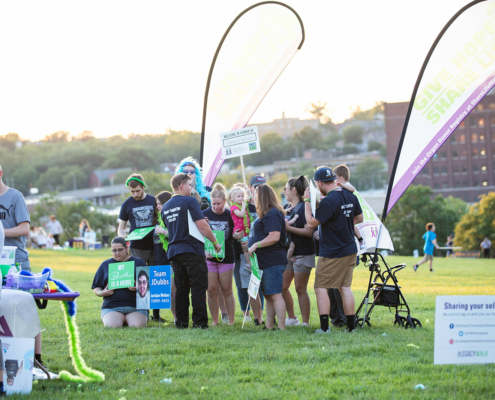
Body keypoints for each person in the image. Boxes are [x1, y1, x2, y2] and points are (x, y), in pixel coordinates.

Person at [304, 166, 363, 334]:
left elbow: (310, 223)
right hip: (351, 248)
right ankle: (351, 328)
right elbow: (359, 218)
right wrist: (342, 221)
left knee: (321, 287)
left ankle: (324, 328)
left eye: (316, 184)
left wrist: (307, 201)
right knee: (345, 287)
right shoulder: (349, 195)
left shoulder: (329, 201)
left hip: (332, 252)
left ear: (320, 183)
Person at [162, 173, 221, 329]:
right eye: (189, 185)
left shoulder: (166, 206)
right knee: (198, 287)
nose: (191, 187)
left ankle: (181, 323)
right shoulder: (190, 201)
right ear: (182, 185)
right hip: (192, 250)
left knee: (181, 289)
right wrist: (215, 243)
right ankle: (200, 323)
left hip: (174, 252)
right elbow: (202, 226)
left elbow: (177, 227)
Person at [248, 184, 288, 331]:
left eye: (256, 194)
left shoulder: (273, 213)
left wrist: (255, 245)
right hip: (264, 262)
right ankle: (269, 325)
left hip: (273, 261)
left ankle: (282, 327)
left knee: (276, 294)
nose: (253, 197)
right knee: (269, 295)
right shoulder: (267, 214)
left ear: (262, 196)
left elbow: (274, 236)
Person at [91, 237, 148, 328]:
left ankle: (129, 319)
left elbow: (149, 286)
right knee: (112, 326)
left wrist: (140, 287)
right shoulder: (105, 265)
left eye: (120, 250)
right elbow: (96, 287)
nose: (117, 253)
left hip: (136, 306)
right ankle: (118, 319)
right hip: (112, 306)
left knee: (138, 326)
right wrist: (102, 293)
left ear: (127, 249)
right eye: (114, 251)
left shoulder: (138, 262)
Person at [282, 176, 315, 327]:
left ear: (293, 190)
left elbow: (308, 232)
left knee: (300, 288)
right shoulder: (289, 208)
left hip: (304, 251)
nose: (284, 192)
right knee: (282, 287)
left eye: (286, 189)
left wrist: (288, 228)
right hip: (289, 253)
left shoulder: (303, 207)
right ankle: (292, 318)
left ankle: (305, 322)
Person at [118, 174, 156, 302]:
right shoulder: (126, 204)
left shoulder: (153, 201)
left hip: (155, 246)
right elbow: (121, 227)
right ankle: (142, 311)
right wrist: (122, 235)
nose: (135, 194)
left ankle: (156, 315)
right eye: (132, 191)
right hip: (137, 247)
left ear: (143, 187)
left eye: (137, 191)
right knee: (140, 279)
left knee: (155, 279)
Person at [203, 183, 236, 325]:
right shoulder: (204, 215)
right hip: (209, 257)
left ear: (224, 202)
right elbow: (198, 235)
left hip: (226, 257)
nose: (216, 207)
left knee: (227, 289)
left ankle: (231, 321)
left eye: (219, 204)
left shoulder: (230, 215)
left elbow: (235, 233)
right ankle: (215, 321)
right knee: (211, 290)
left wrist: (238, 235)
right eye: (214, 204)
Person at [0, 165, 31, 271]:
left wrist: (0, 232)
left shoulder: (16, 197)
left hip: (16, 263)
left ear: (0, 174)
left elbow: (24, 229)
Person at [154, 191, 176, 323]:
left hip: (173, 258)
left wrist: (163, 231)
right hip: (159, 258)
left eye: (160, 203)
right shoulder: (156, 218)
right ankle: (158, 316)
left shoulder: (172, 217)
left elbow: (177, 234)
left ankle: (176, 318)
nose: (158, 206)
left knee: (174, 292)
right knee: (162, 291)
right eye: (156, 204)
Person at [334, 164, 366, 251]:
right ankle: (360, 240)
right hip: (350, 211)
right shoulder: (341, 186)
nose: (334, 180)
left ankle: (360, 239)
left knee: (351, 225)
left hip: (352, 209)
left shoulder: (346, 185)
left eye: (335, 177)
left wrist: (341, 185)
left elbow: (352, 189)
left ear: (340, 178)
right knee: (351, 225)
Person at [229, 186, 253, 269]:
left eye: (242, 196)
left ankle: (250, 262)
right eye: (238, 196)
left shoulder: (242, 206)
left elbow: (250, 198)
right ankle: (249, 263)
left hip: (245, 230)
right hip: (240, 232)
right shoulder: (234, 207)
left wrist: (248, 194)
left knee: (247, 246)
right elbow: (241, 214)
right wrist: (243, 205)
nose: (241, 198)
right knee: (245, 248)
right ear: (232, 199)